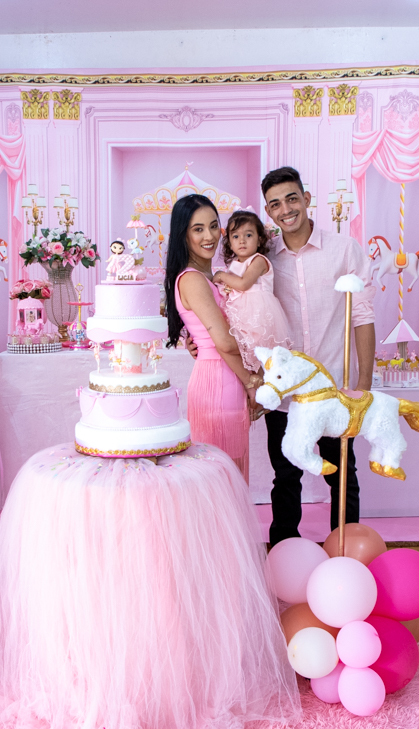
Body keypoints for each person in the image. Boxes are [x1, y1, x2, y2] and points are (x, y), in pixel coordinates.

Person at [262, 166, 376, 544]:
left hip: (335, 391)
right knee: (285, 476)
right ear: (268, 211)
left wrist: (363, 386)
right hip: (286, 394)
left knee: (342, 475)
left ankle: (346, 549)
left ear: (307, 199)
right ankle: (283, 551)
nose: (285, 210)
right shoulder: (264, 259)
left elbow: (362, 316)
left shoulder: (344, 250)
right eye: (275, 204)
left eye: (291, 199)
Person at [164, 194, 259, 478]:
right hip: (219, 381)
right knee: (223, 476)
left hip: (225, 376)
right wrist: (252, 382)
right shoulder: (192, 279)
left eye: (214, 226)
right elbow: (225, 343)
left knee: (228, 473)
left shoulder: (212, 276)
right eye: (198, 229)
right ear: (183, 235)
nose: (210, 236)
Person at [212, 209, 293, 373]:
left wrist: (221, 275)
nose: (242, 240)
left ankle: (260, 381)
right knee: (237, 350)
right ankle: (251, 381)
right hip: (240, 314)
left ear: (259, 239)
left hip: (258, 315)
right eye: (236, 236)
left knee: (260, 354)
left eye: (248, 235)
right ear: (229, 242)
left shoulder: (259, 261)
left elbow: (243, 284)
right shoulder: (235, 264)